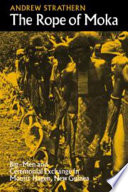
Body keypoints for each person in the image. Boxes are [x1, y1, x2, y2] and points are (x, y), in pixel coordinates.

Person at [69, 32, 115, 191]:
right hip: (84, 109)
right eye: (75, 56)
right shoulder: (76, 70)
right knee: (84, 149)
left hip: (101, 107)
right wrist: (74, 112)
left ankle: (103, 177)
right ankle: (88, 180)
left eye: (80, 54)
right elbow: (79, 93)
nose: (78, 58)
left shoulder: (101, 65)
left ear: (88, 52)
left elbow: (110, 90)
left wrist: (110, 110)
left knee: (100, 144)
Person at [50, 44, 77, 168]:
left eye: (62, 57)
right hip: (59, 101)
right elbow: (53, 82)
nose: (60, 60)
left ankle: (73, 163)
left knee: (71, 133)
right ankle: (56, 157)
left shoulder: (71, 69)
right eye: (58, 58)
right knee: (58, 128)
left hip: (70, 104)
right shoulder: (55, 67)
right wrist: (54, 93)